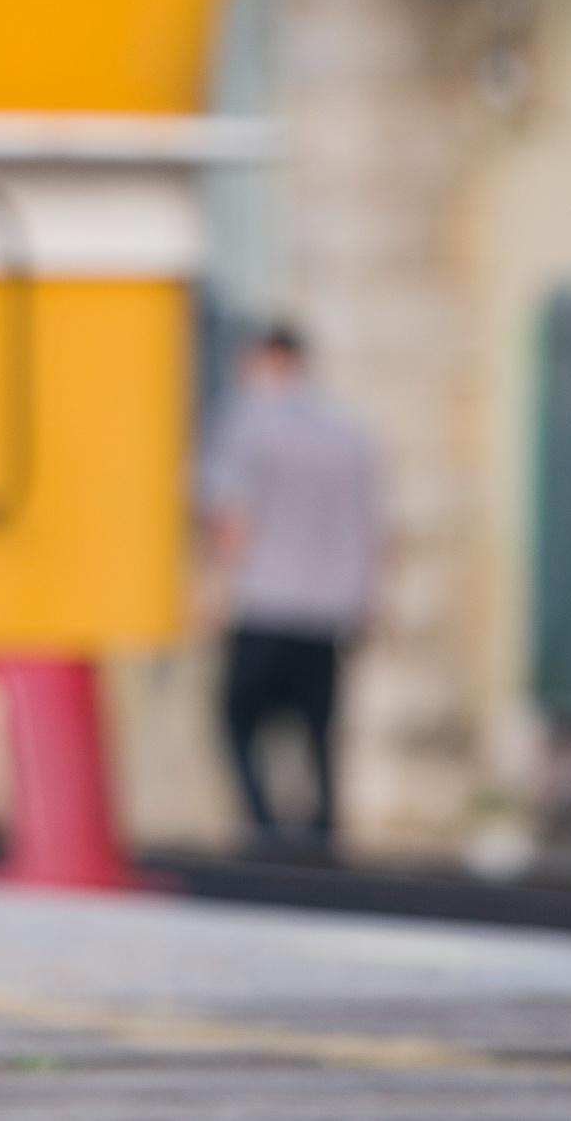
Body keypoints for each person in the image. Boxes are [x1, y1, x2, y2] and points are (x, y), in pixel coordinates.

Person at [199, 320, 383, 856]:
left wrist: (214, 589)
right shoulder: (349, 432)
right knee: (317, 730)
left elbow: (231, 517)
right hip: (330, 607)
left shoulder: (247, 422)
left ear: (262, 361)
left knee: (237, 719)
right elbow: (374, 527)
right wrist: (369, 598)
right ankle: (321, 832)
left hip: (265, 599)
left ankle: (263, 830)